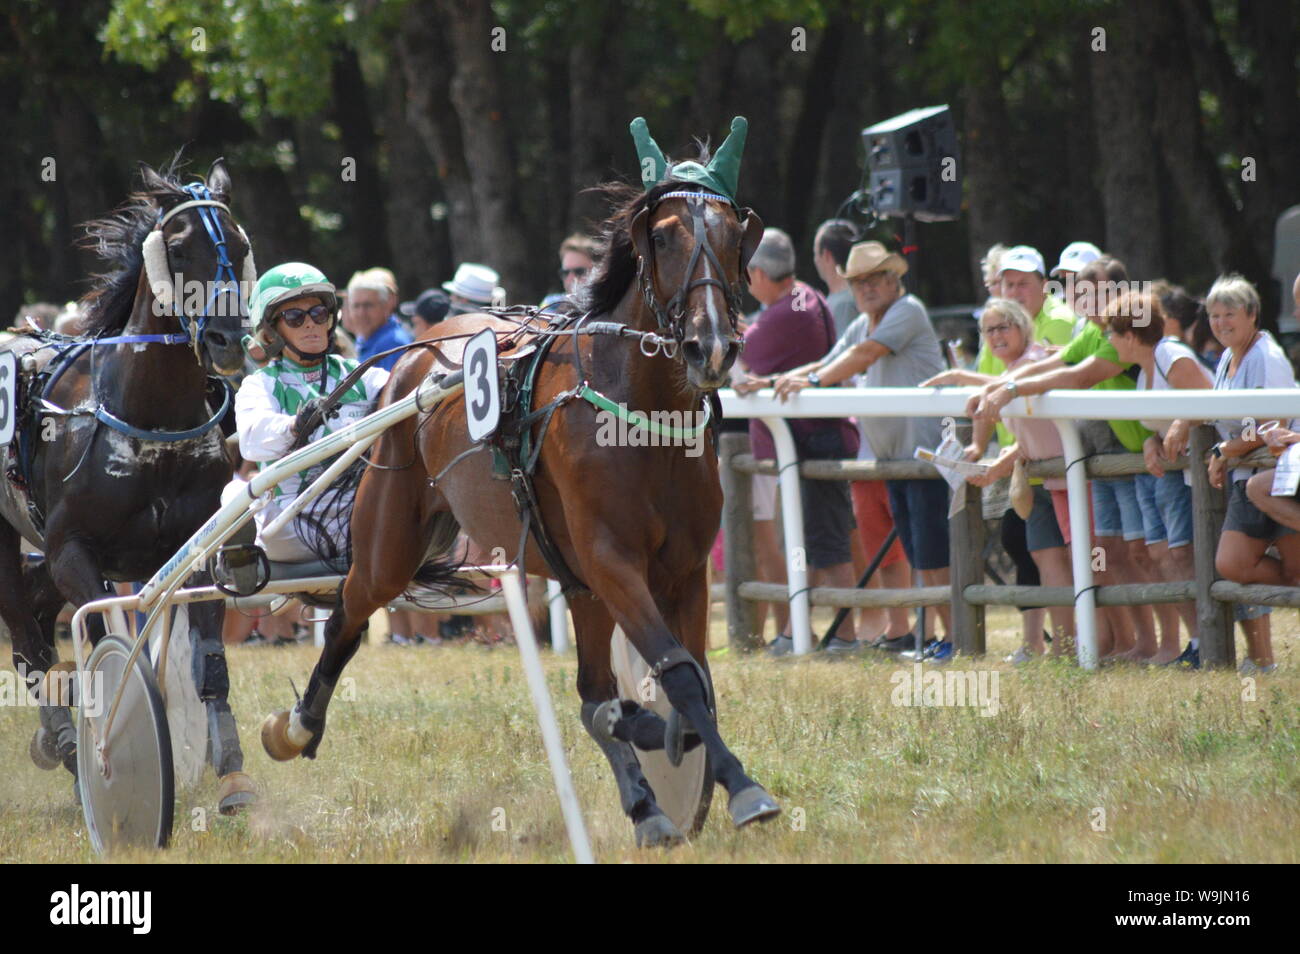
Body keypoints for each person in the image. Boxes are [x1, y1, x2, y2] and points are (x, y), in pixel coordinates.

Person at [766, 240, 954, 660]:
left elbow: (861, 356)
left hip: (925, 458)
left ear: (894, 280)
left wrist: (810, 384)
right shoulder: (865, 323)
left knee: (933, 555)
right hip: (897, 461)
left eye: (875, 279)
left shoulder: (907, 311)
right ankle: (936, 639)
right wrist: (775, 382)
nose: (867, 288)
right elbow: (832, 359)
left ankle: (956, 639)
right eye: (859, 282)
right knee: (918, 551)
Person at [969, 257, 1159, 660]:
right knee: (1118, 558)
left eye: (1096, 293)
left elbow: (1079, 375)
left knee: (1150, 556)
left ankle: (1157, 644)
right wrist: (1007, 386)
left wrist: (1009, 389)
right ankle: (1127, 644)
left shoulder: (1119, 332)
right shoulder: (1094, 329)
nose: (1086, 301)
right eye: (1081, 293)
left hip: (1144, 456)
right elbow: (1062, 363)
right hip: (1115, 459)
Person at [732, 227, 860, 656]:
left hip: (813, 442)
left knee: (828, 547)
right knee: (808, 546)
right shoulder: (804, 298)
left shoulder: (786, 311)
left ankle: (842, 637)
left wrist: (737, 332)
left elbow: (741, 356)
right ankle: (804, 632)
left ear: (760, 272)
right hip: (814, 441)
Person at [1166, 275, 1299, 674]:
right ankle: (1264, 658)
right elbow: (1223, 407)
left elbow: (1270, 420)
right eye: (1214, 315)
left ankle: (1263, 661)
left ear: (1252, 314)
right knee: (1233, 564)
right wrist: (1185, 420)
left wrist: (1225, 450)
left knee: (1290, 569)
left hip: (1277, 474)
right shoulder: (1228, 356)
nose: (1221, 322)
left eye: (1229, 314)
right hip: (1248, 475)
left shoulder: (1265, 355)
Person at [929, 299, 1074, 661]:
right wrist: (992, 464)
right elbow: (1025, 438)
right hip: (1045, 479)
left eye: (1003, 326)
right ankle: (1066, 647)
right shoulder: (1012, 374)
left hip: (1071, 479)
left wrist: (963, 378)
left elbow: (1011, 385)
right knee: (1047, 558)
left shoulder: (1034, 363)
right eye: (989, 330)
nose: (996, 335)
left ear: (1023, 328)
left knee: (1087, 560)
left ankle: (1087, 645)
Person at [222, 263, 391, 574]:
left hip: (359, 517)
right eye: (295, 318)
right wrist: (295, 424)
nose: (310, 324)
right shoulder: (260, 384)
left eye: (318, 314)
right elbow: (251, 442)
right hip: (290, 526)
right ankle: (242, 563)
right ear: (271, 330)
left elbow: (405, 392)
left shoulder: (362, 376)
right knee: (233, 492)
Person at [1105, 292, 1211, 665]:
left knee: (1181, 554)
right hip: (1170, 472)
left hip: (1196, 474)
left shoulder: (1171, 356)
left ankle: (1210, 640)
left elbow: (1210, 400)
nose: (1109, 342)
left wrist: (1182, 422)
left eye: (1112, 334)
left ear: (1130, 336)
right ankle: (1198, 641)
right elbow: (1165, 419)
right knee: (1163, 556)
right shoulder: (1148, 369)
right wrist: (1152, 440)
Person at [344, 268, 413, 371]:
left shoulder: (393, 344)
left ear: (386, 306)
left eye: (368, 305)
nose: (361, 313)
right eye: (356, 306)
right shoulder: (366, 338)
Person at [812, 219, 861, 337]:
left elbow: (843, 354)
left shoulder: (844, 303)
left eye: (815, 253)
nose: (815, 260)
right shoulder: (849, 297)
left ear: (827, 255)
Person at [542, 234, 599, 310]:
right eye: (565, 273)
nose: (570, 278)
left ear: (598, 272)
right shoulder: (551, 304)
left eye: (579, 271)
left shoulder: (612, 309)